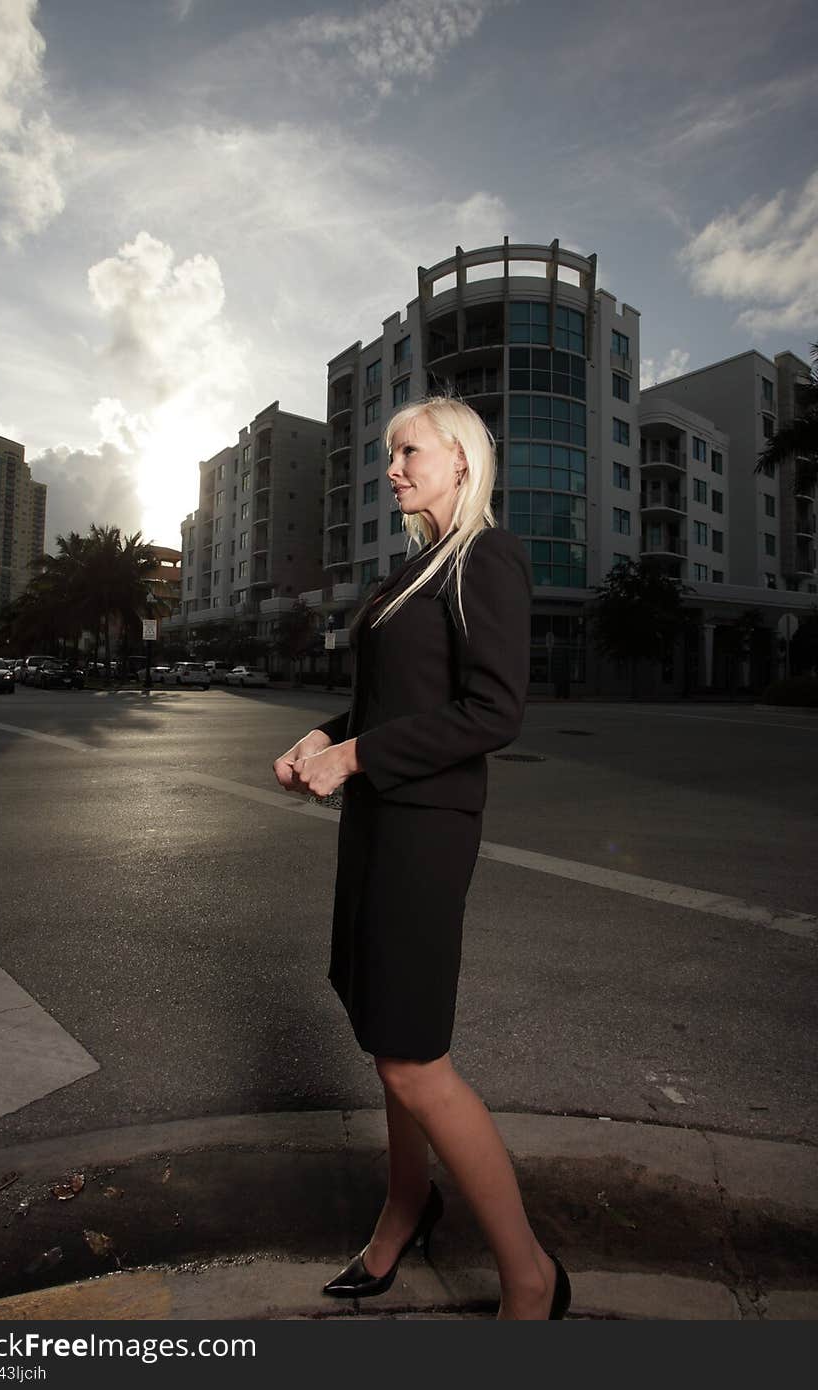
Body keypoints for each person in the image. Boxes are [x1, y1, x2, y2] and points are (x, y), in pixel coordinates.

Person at [272, 396, 570, 1320]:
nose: (392, 467)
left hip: (427, 831)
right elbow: (386, 704)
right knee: (382, 1031)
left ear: (461, 460)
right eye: (388, 453)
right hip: (373, 822)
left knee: (413, 1060)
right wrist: (319, 738)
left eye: (408, 451)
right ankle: (407, 1206)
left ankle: (529, 1274)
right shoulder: (410, 571)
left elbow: (494, 711)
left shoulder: (488, 557)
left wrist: (353, 757)